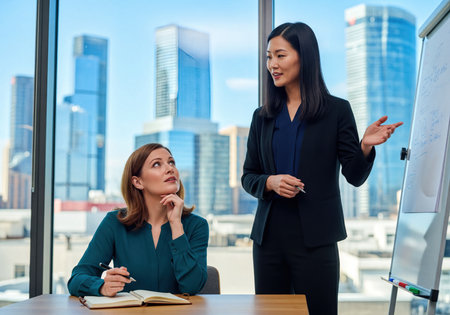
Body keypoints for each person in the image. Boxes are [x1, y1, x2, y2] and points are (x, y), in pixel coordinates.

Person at [241, 22, 403, 314]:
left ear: (304, 57)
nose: (272, 65)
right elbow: (248, 176)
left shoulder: (336, 111)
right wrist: (270, 182)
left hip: (317, 240)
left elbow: (354, 176)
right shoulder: (262, 117)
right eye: (268, 57)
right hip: (269, 241)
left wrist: (364, 145)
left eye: (280, 55)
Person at [68, 143, 209, 297]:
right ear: (138, 182)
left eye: (171, 162)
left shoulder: (197, 226)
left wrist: (176, 225)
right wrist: (102, 286)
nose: (170, 169)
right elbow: (76, 279)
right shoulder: (114, 223)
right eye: (157, 164)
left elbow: (192, 286)